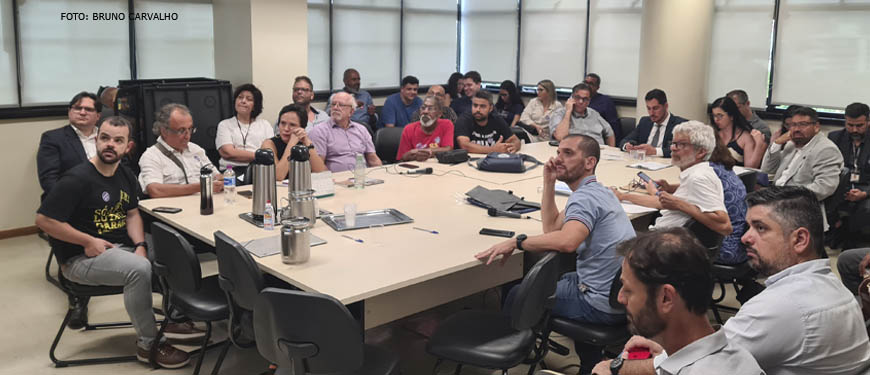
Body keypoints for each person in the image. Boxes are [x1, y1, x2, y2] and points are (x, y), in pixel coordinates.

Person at [607, 186, 870, 375]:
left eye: (761, 228)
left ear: (800, 240)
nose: (745, 238)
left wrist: (615, 367)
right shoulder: (830, 284)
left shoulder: (782, 306)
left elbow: (702, 360)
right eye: (748, 227)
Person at [35, 116, 193, 369]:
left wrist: (141, 245)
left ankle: (170, 318)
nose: (110, 145)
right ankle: (149, 343)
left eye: (118, 140)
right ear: (97, 140)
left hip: (121, 247)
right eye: (105, 138)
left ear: (127, 146)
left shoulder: (126, 175)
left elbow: (131, 214)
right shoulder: (76, 178)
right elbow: (44, 220)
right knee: (138, 269)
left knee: (174, 250)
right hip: (82, 258)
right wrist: (87, 240)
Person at [476, 134, 634, 325]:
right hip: (618, 295)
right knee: (562, 276)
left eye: (568, 153)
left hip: (599, 302)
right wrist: (549, 182)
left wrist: (517, 242)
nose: (558, 158)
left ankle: (513, 348)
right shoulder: (600, 191)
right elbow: (551, 229)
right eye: (558, 152)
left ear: (589, 163)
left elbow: (567, 242)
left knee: (518, 293)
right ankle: (590, 354)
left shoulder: (583, 198)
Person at [590, 229, 763, 375]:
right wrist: (665, 356)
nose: (621, 298)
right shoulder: (735, 356)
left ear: (666, 298)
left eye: (628, 289)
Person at [612, 121, 732, 237]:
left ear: (700, 152)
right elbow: (674, 200)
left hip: (664, 246)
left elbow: (725, 226)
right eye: (673, 143)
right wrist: (671, 189)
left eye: (681, 144)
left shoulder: (698, 179)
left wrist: (679, 204)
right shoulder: (701, 172)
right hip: (670, 241)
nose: (673, 148)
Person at [760, 106, 843, 230]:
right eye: (793, 125)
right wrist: (777, 144)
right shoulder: (791, 144)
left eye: (803, 124)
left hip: (800, 209)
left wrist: (787, 196)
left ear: (816, 127)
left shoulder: (826, 149)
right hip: (776, 197)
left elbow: (824, 187)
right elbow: (767, 170)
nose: (796, 129)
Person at [138, 103, 223, 198]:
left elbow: (217, 176)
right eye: (181, 131)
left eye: (190, 129)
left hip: (205, 203)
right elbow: (155, 190)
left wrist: (224, 180)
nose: (187, 136)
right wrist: (201, 187)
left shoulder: (196, 150)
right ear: (164, 131)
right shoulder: (151, 156)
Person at [38, 92, 102, 202]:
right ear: (69, 112)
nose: (82, 112)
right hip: (69, 202)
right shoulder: (53, 138)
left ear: (98, 116)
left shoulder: (107, 137)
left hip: (106, 199)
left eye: (88, 109)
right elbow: (49, 180)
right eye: (77, 108)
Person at [826, 102, 870, 249]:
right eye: (850, 125)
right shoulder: (835, 138)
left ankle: (850, 237)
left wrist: (865, 193)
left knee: (866, 207)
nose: (854, 130)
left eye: (859, 125)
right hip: (840, 183)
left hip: (866, 186)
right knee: (823, 196)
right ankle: (837, 230)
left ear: (868, 122)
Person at [308, 92, 382, 172]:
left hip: (362, 178)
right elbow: (318, 167)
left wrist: (382, 176)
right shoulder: (319, 131)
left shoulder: (362, 130)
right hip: (336, 180)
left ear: (351, 111)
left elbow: (373, 159)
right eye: (333, 104)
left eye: (341, 105)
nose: (336, 107)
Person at [706, 138, 749, 265]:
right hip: (741, 244)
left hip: (724, 247)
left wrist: (655, 193)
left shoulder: (707, 172)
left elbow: (670, 202)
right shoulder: (722, 168)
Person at [215, 83, 274, 172]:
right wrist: (259, 156)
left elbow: (270, 153)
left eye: (249, 99)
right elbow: (228, 153)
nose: (243, 101)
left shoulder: (265, 125)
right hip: (231, 171)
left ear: (255, 105)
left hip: (259, 169)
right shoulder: (225, 125)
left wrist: (241, 154)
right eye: (240, 97)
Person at [260, 104, 327, 180]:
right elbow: (278, 176)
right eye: (283, 123)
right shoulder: (269, 144)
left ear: (302, 128)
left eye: (292, 125)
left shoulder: (304, 143)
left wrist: (307, 143)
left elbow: (322, 174)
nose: (286, 128)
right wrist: (291, 144)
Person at [620, 89, 688, 157]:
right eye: (649, 108)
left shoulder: (680, 125)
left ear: (666, 106)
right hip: (642, 162)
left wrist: (654, 151)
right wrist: (627, 146)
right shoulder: (644, 122)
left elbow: (681, 149)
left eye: (655, 108)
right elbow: (625, 140)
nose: (651, 113)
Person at [454, 91, 521, 154]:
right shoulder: (464, 119)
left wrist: (514, 146)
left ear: (491, 108)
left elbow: (515, 140)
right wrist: (492, 150)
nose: (478, 109)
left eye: (482, 106)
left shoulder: (497, 119)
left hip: (492, 162)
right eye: (475, 105)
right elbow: (464, 145)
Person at [708, 96, 767, 168]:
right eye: (714, 116)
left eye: (720, 116)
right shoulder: (712, 133)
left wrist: (759, 145)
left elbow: (750, 167)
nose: (716, 119)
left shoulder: (745, 137)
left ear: (731, 116)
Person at [552, 83, 616, 146]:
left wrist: (610, 150)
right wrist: (568, 112)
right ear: (571, 97)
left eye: (585, 99)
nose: (581, 101)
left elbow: (610, 133)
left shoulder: (594, 114)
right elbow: (560, 137)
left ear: (589, 101)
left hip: (598, 150)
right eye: (577, 97)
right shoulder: (559, 113)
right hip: (575, 151)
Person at [396, 96, 454, 162]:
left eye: (430, 109)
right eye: (423, 108)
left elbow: (448, 149)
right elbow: (402, 158)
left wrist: (424, 151)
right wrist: (412, 154)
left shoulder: (446, 124)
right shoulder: (409, 129)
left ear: (439, 114)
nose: (425, 111)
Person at [585, 73, 622, 142]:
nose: (587, 86)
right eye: (585, 83)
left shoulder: (606, 102)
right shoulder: (577, 100)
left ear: (597, 87)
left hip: (597, 138)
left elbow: (613, 126)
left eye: (591, 84)